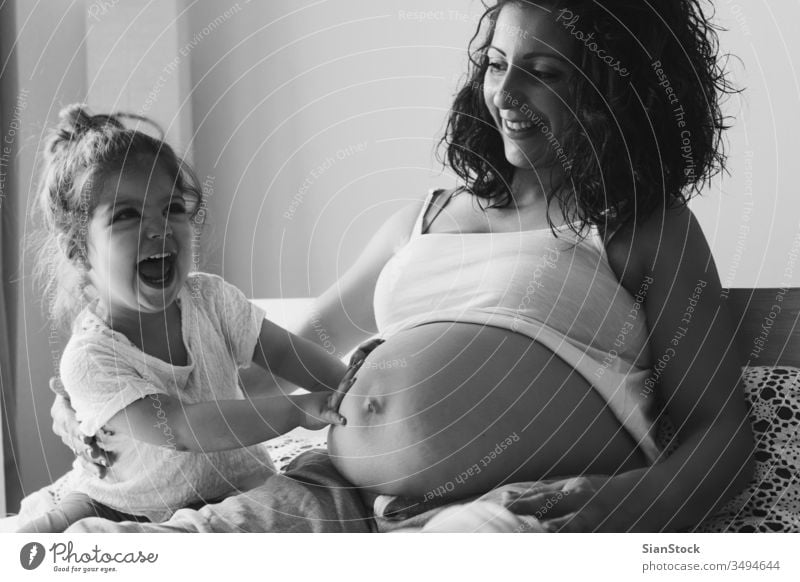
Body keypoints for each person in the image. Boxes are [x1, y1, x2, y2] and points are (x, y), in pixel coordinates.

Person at [54, 0, 754, 533]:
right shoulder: (424, 219)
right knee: (115, 560)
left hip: (507, 503)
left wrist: (628, 503)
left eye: (543, 74)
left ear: (613, 95)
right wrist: (107, 398)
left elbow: (722, 430)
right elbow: (278, 354)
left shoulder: (644, 228)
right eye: (496, 64)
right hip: (332, 492)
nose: (505, 96)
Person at [19, 105, 348, 533]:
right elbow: (177, 425)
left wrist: (348, 391)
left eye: (172, 207)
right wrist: (297, 410)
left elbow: (286, 353)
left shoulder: (211, 298)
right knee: (56, 532)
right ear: (78, 250)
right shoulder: (89, 358)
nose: (158, 228)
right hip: (124, 503)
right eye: (126, 215)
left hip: (234, 483)